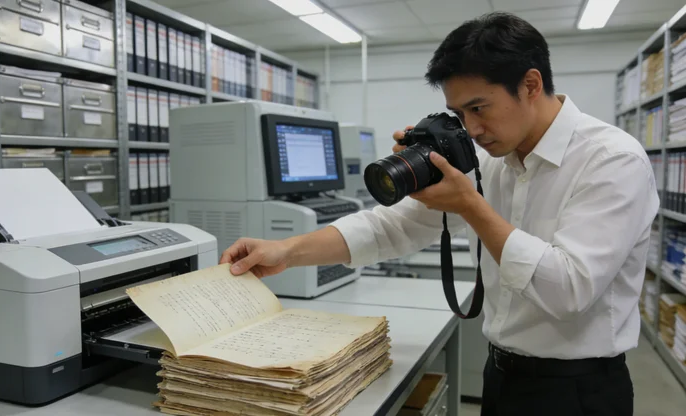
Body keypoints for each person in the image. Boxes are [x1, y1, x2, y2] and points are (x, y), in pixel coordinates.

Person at [219, 11, 658, 416]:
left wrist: (471, 204)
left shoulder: (612, 160)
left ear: (529, 84)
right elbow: (394, 225)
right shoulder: (489, 156)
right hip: (502, 376)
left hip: (579, 392)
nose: (471, 128)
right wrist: (286, 250)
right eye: (459, 112)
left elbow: (570, 289)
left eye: (479, 108)